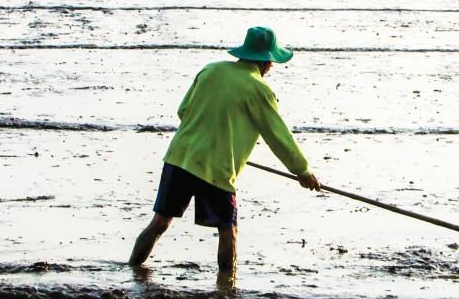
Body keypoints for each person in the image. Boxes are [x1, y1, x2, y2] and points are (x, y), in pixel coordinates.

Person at [129, 26, 320, 271]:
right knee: (228, 231)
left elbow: (184, 111)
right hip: (216, 169)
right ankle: (227, 294)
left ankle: (131, 269)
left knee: (160, 222)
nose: (271, 67)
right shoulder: (260, 90)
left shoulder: (210, 71)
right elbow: (278, 136)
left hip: (180, 157)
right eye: (272, 62)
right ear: (267, 62)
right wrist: (302, 171)